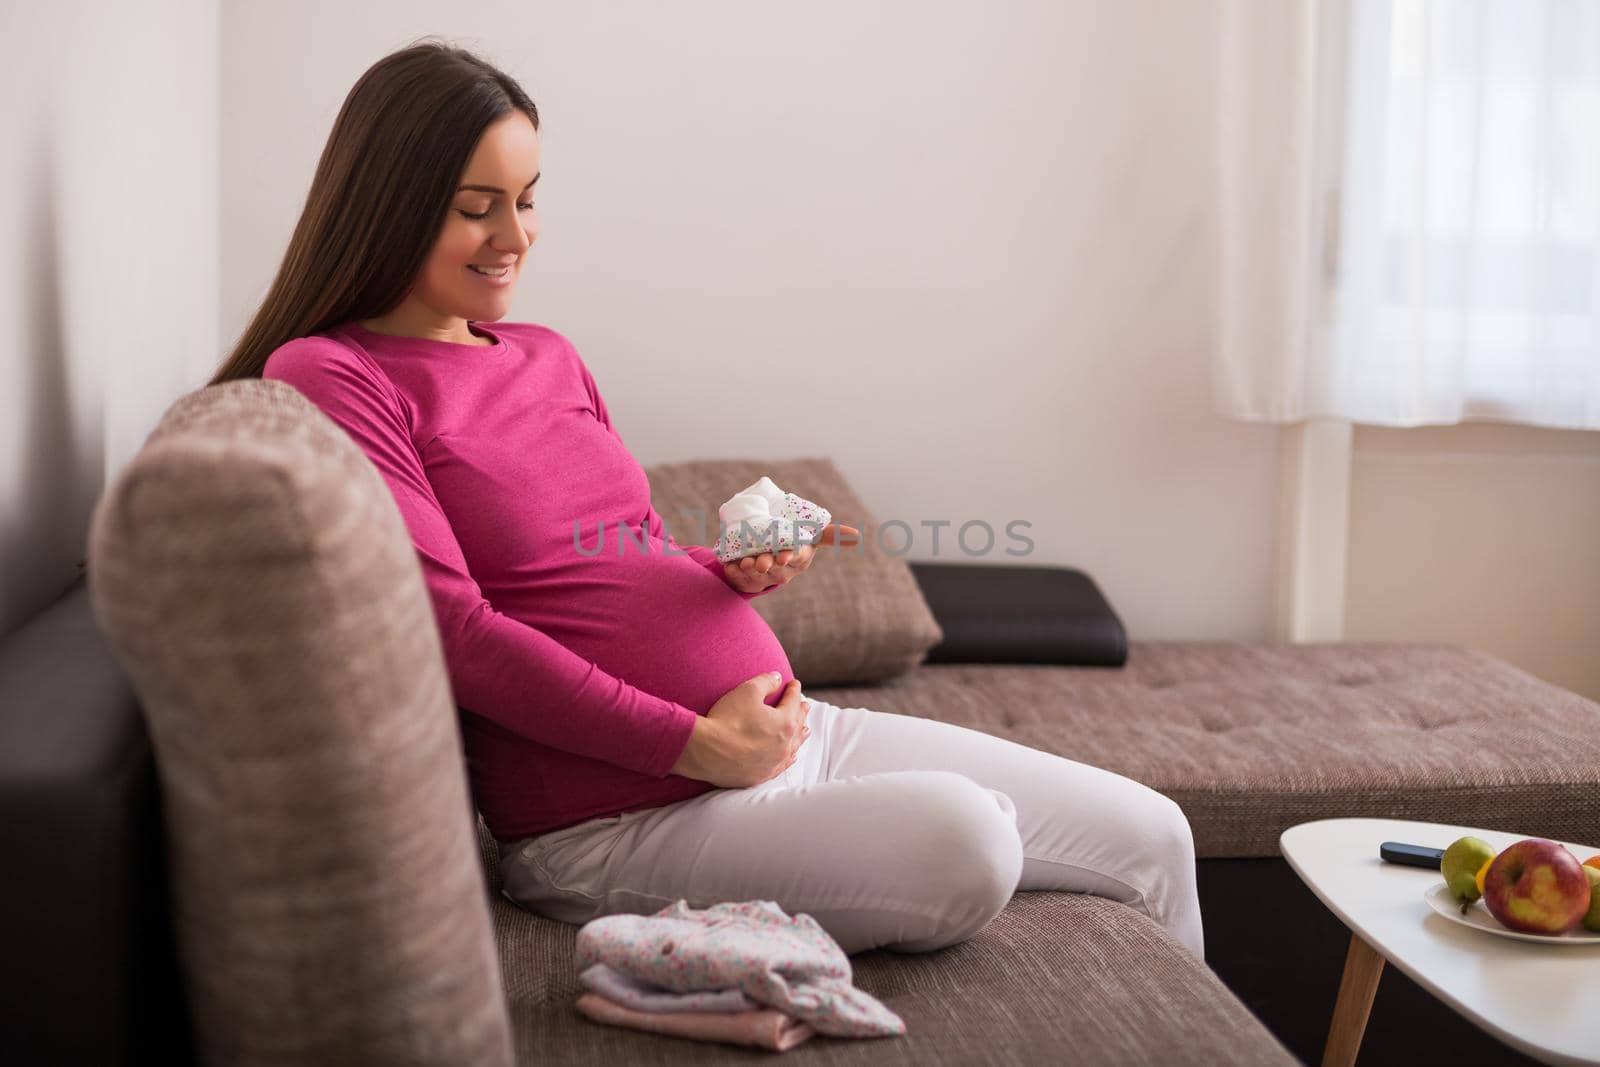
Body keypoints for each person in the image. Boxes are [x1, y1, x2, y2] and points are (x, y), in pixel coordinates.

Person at [210, 38, 1204, 960]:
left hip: (784, 732)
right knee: (970, 837)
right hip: (617, 818)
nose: (515, 235)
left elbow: (610, 558)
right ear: (389, 204)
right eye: (478, 205)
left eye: (527, 198)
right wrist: (697, 743)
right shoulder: (334, 372)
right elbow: (453, 627)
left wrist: (724, 572)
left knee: (1155, 830)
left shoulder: (546, 352)